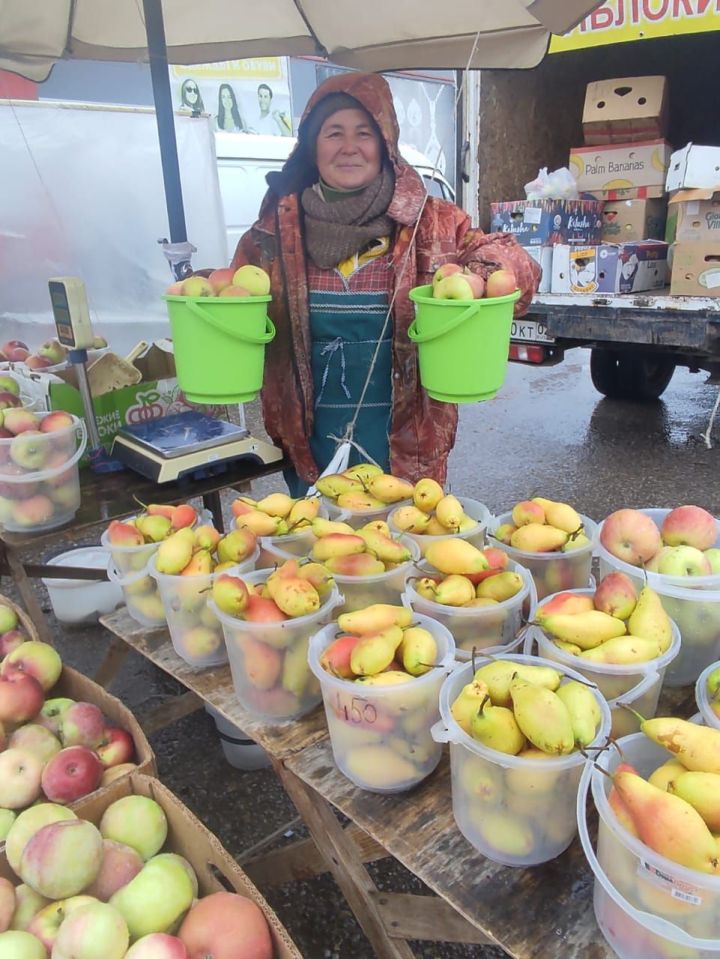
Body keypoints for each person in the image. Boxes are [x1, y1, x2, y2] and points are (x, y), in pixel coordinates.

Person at [230, 72, 540, 493]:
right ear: (311, 146)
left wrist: (481, 275)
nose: (349, 147)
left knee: (409, 552)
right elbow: (234, 311)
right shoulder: (272, 236)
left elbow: (518, 263)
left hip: (407, 452)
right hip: (310, 446)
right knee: (319, 552)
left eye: (364, 132)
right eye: (333, 132)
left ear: (386, 143)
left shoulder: (434, 223)